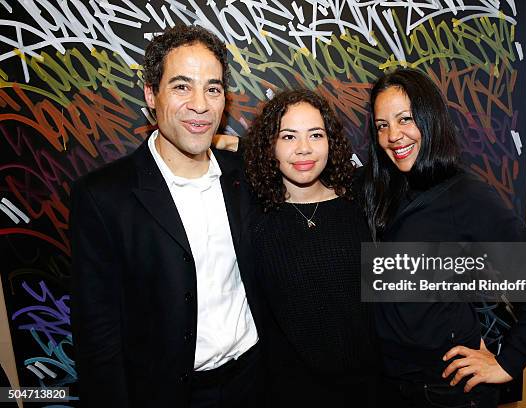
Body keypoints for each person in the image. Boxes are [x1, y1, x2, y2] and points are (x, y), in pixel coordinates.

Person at [70, 25, 263, 408]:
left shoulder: (245, 175)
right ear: (150, 94)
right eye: (181, 86)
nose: (200, 104)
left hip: (257, 382)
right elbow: (99, 338)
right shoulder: (103, 196)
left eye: (213, 88)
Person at [363, 68, 526, 407]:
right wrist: (243, 148)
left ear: (430, 120)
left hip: (446, 392)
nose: (393, 135)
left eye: (405, 119)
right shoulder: (380, 189)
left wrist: (508, 361)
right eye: (383, 125)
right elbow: (313, 165)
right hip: (391, 384)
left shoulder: (466, 196)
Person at [241, 89, 379, 407]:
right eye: (288, 137)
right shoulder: (251, 216)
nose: (304, 149)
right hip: (286, 391)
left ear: (330, 140)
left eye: (315, 134)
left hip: (368, 388)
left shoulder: (359, 204)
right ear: (269, 145)